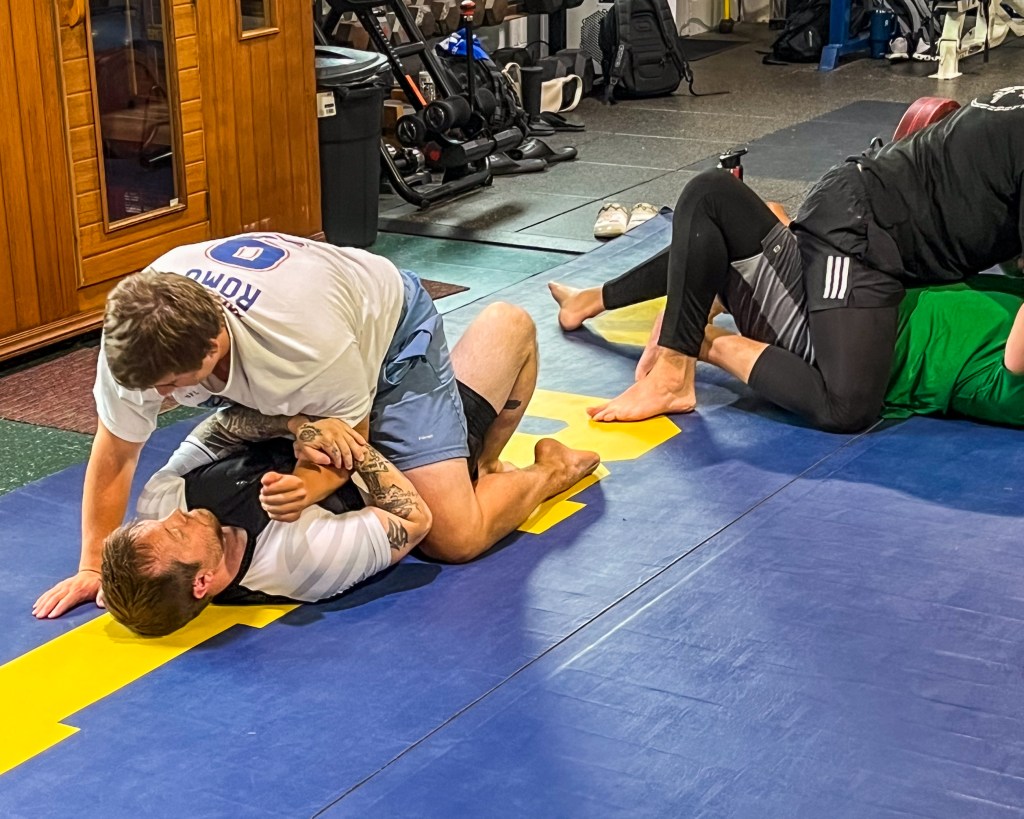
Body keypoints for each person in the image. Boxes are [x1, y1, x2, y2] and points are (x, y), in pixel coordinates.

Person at [34, 232, 599, 619]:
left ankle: (546, 466)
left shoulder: (302, 346)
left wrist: (307, 485)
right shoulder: (137, 334)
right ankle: (474, 441)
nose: (160, 399)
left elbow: (351, 441)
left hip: (386, 325)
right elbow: (116, 451)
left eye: (171, 385)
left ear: (214, 345)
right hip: (306, 347)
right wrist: (92, 564)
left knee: (456, 537)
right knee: (399, 470)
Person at [550, 87, 1024, 431]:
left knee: (766, 230)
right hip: (863, 233)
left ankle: (594, 298)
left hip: (880, 226)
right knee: (847, 405)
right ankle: (681, 359)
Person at [554, 209, 1024, 429]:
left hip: (841, 338)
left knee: (718, 204)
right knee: (765, 220)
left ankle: (695, 337)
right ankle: (601, 300)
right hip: (862, 295)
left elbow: (1015, 357)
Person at [102, 413, 431, 637]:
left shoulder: (160, 501)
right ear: (201, 581)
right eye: (176, 532)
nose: (175, 515)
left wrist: (300, 425)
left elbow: (221, 426)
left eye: (159, 523)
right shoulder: (301, 563)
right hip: (381, 435)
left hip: (289, 402)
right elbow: (414, 520)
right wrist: (343, 439)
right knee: (454, 540)